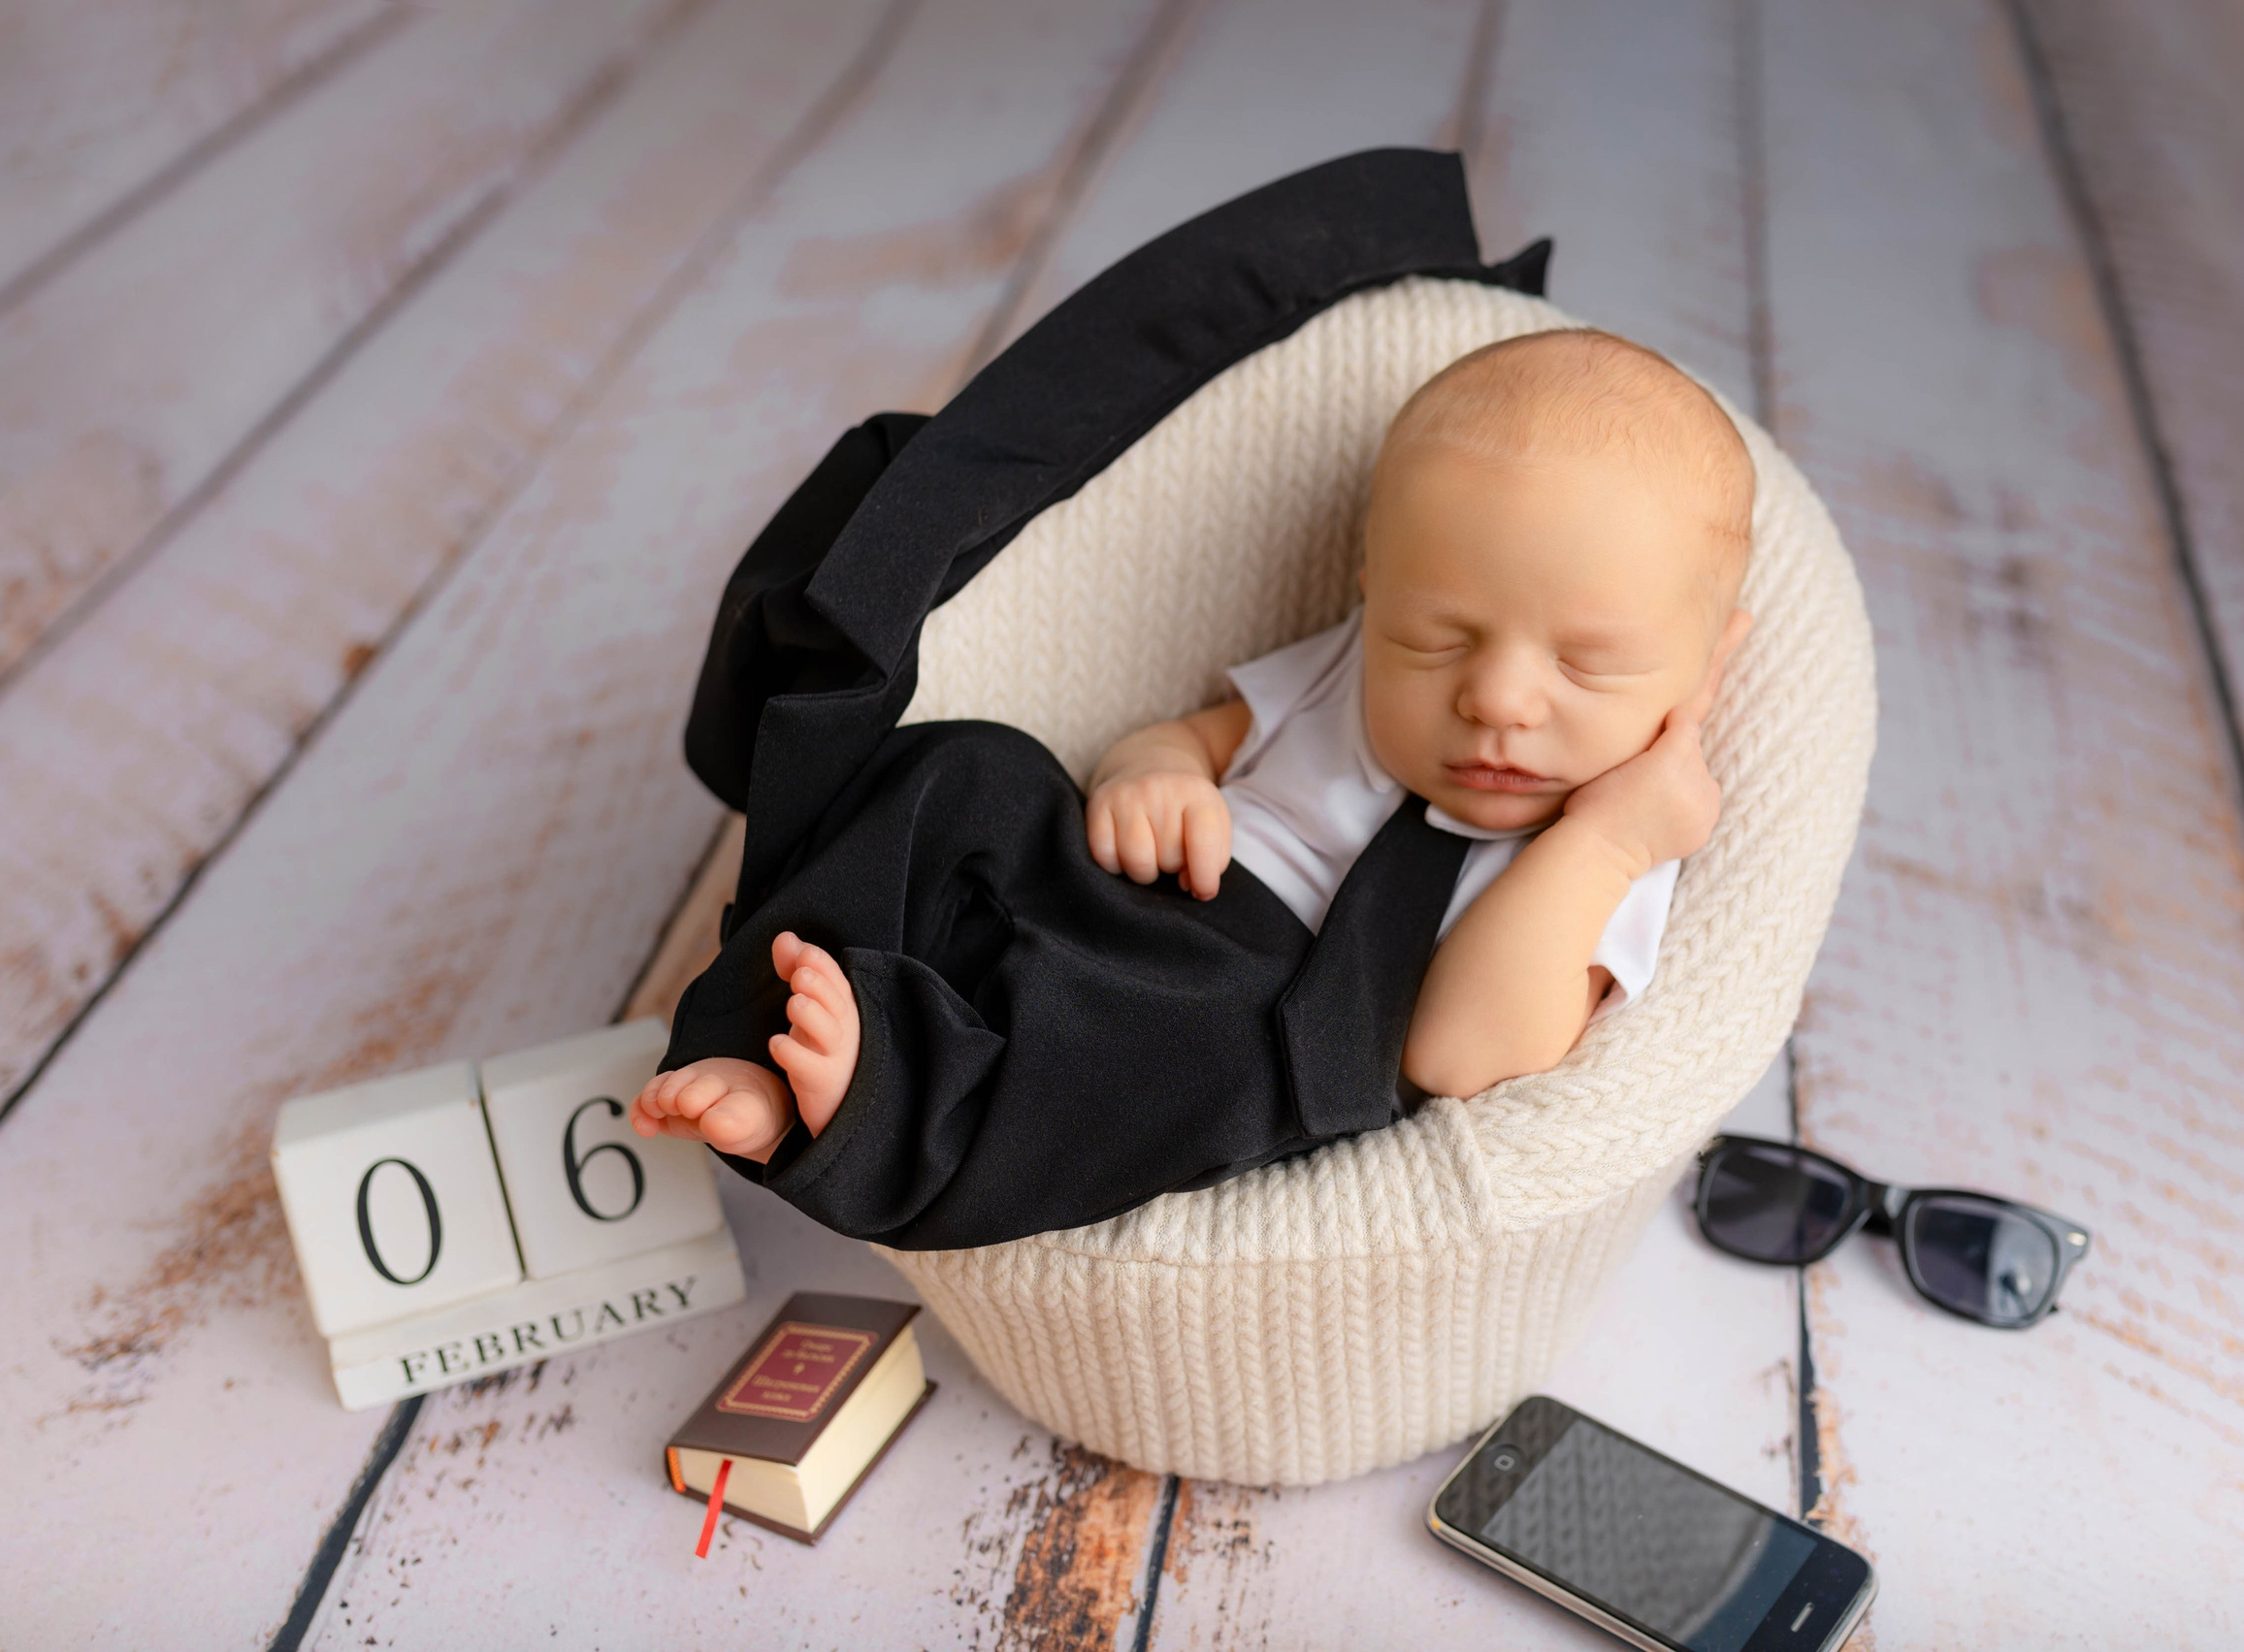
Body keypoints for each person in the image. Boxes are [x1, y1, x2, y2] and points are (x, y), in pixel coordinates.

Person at [634, 329, 1754, 1247]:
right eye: (1435, 636)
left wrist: (1605, 844)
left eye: (1585, 663)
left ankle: (850, 1111)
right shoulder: (1350, 658)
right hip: (1132, 881)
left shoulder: (1609, 838)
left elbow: (1454, 1053)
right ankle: (745, 1017)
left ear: (1710, 660)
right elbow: (1204, 733)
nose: (1499, 697)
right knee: (965, 769)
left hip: (1272, 1002)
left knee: (1158, 1059)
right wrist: (1155, 768)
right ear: (1375, 589)